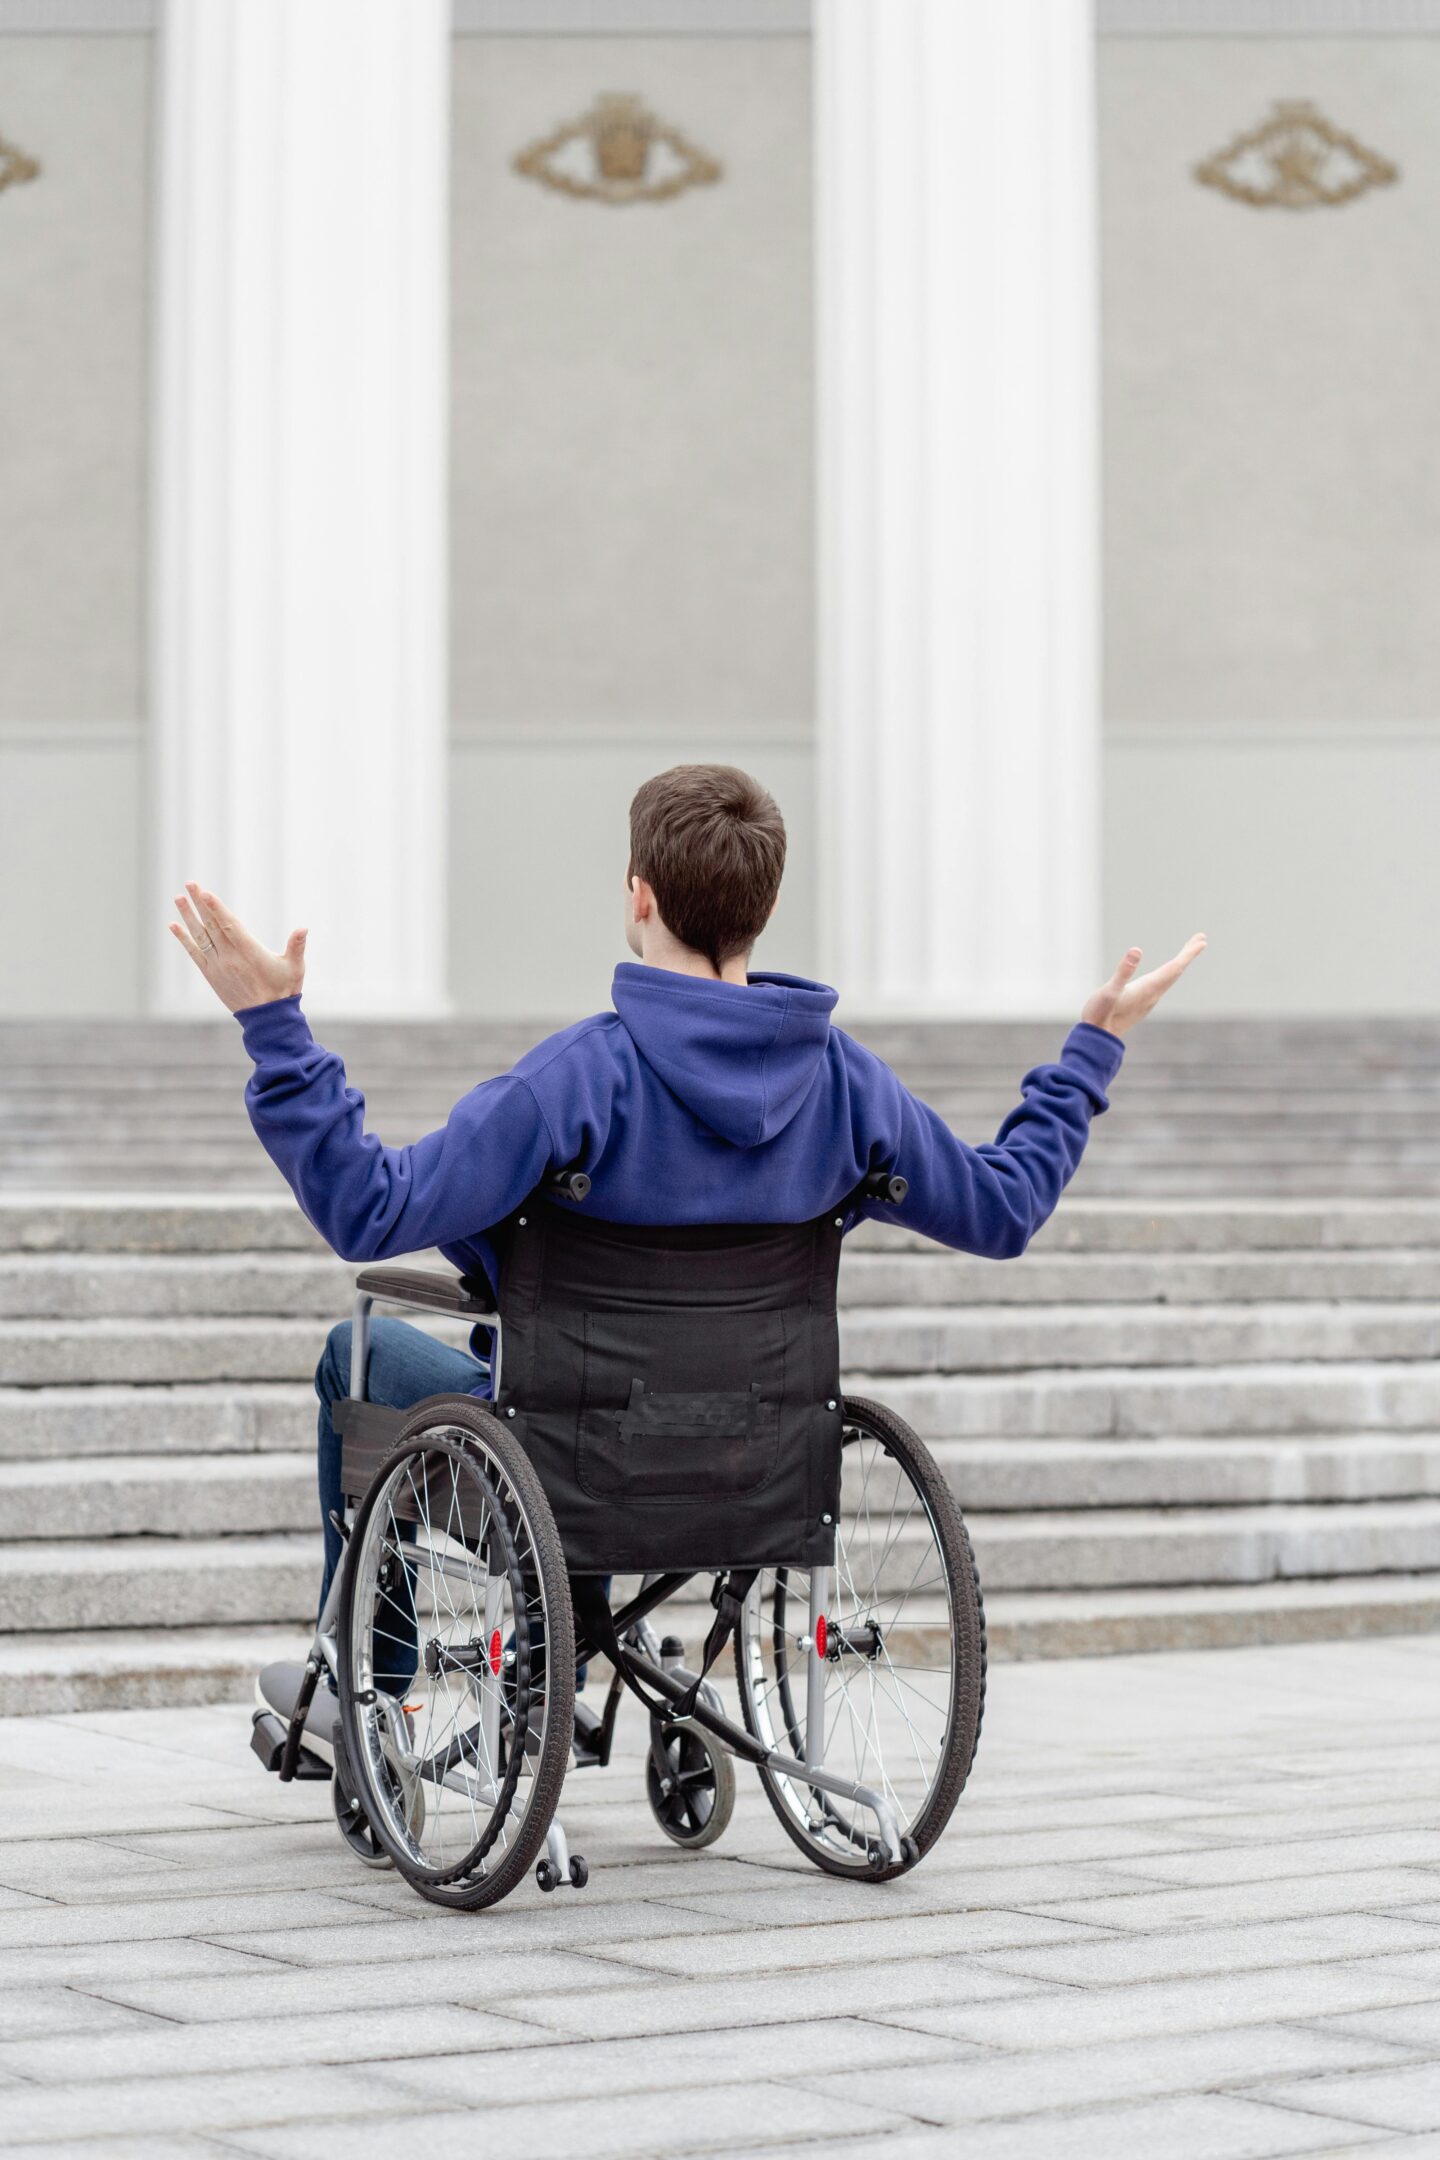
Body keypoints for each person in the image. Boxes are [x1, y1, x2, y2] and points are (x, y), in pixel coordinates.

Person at [170, 762, 1205, 1626]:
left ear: (640, 896)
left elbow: (369, 1208)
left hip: (565, 1458)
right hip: (757, 1466)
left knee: (357, 1355)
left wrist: (277, 1029)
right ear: (761, 908)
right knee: (586, 1401)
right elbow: (1004, 1207)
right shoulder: (845, 1088)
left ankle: (372, 1687)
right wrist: (1091, 1051)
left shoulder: (574, 1081)